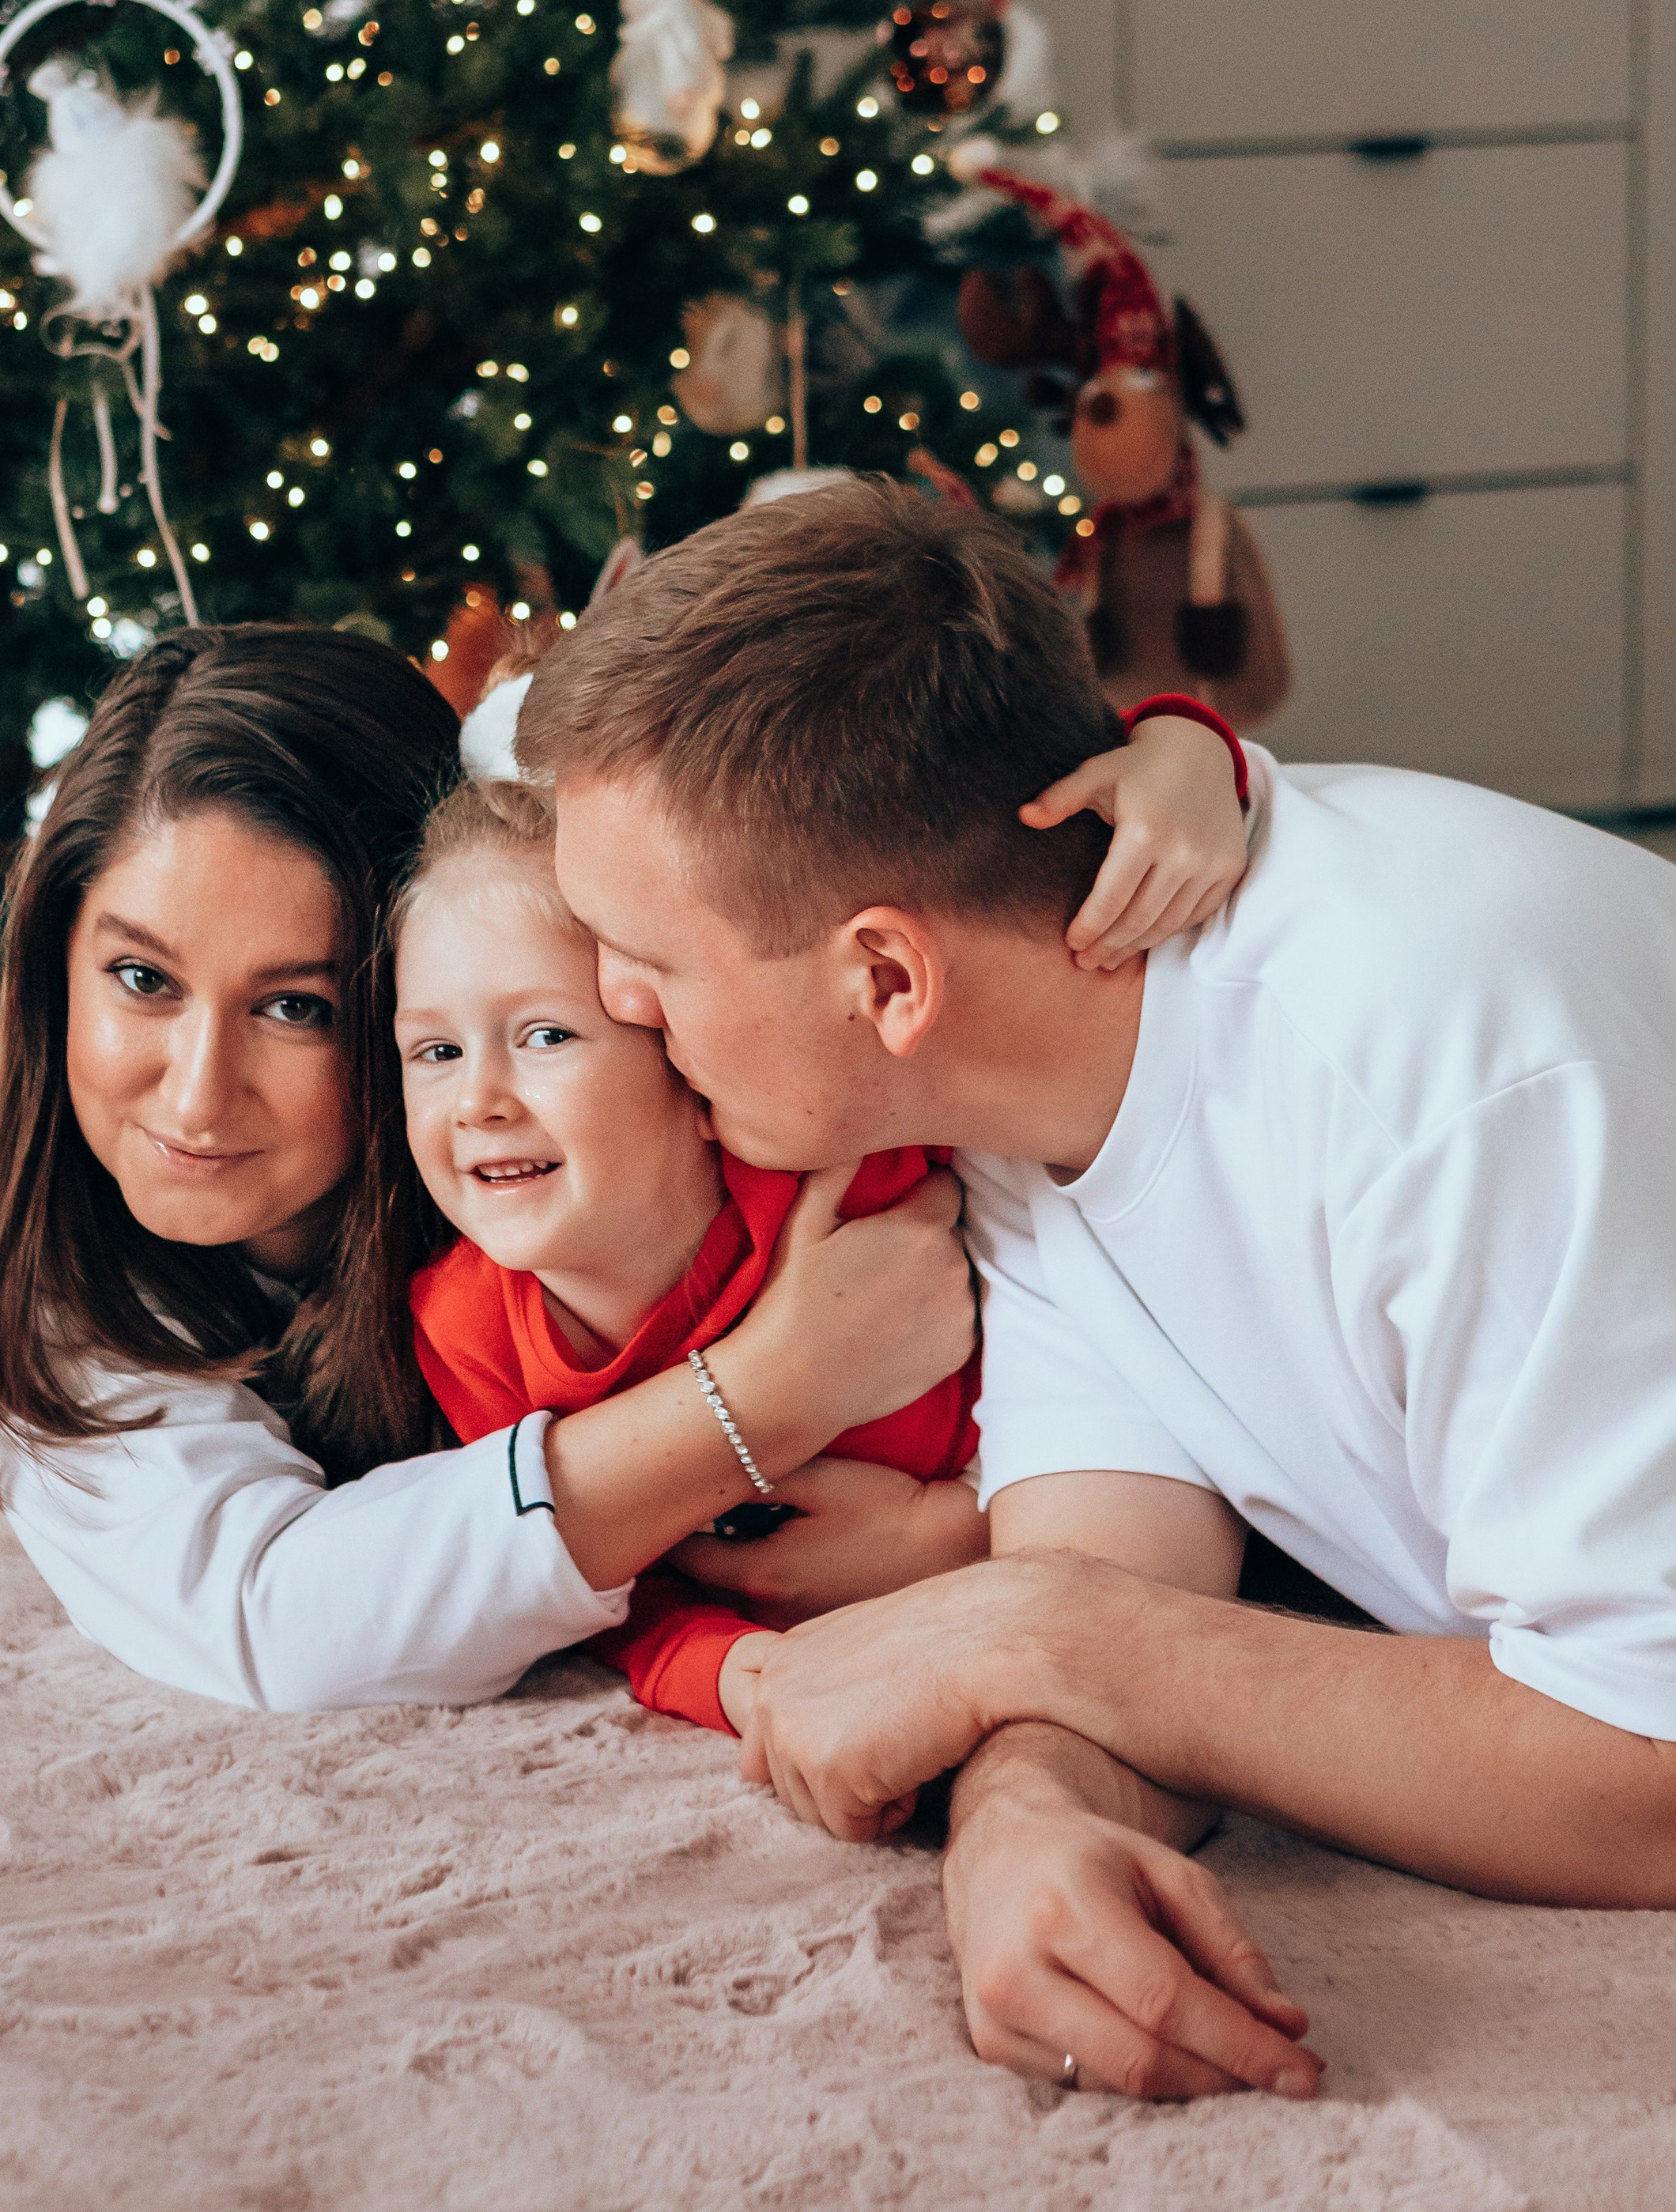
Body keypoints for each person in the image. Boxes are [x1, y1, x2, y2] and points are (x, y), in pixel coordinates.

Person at [522, 478, 1676, 2108]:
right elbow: (1118, 1534)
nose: (613, 1008)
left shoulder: (1443, 1082)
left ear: (883, 978)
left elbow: (1646, 1774)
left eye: (642, 951)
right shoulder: (1019, 1088)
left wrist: (1023, 1631)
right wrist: (1025, 1822)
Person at [0, 620, 1244, 1716]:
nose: (194, 1091)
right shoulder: (34, 1258)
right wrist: (772, 1394)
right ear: (50, 955)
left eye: (297, 1005)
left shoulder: (558, 1110)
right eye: (139, 978)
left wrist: (1180, 753)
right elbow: (273, 1621)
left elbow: (872, 843)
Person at [397, 778, 982, 1735]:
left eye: (544, 1036)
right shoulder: (465, 1332)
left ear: (682, 1054)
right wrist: (741, 1674)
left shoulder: (849, 1186)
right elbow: (579, 1589)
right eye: (434, 1052)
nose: (477, 1102)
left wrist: (1195, 757)